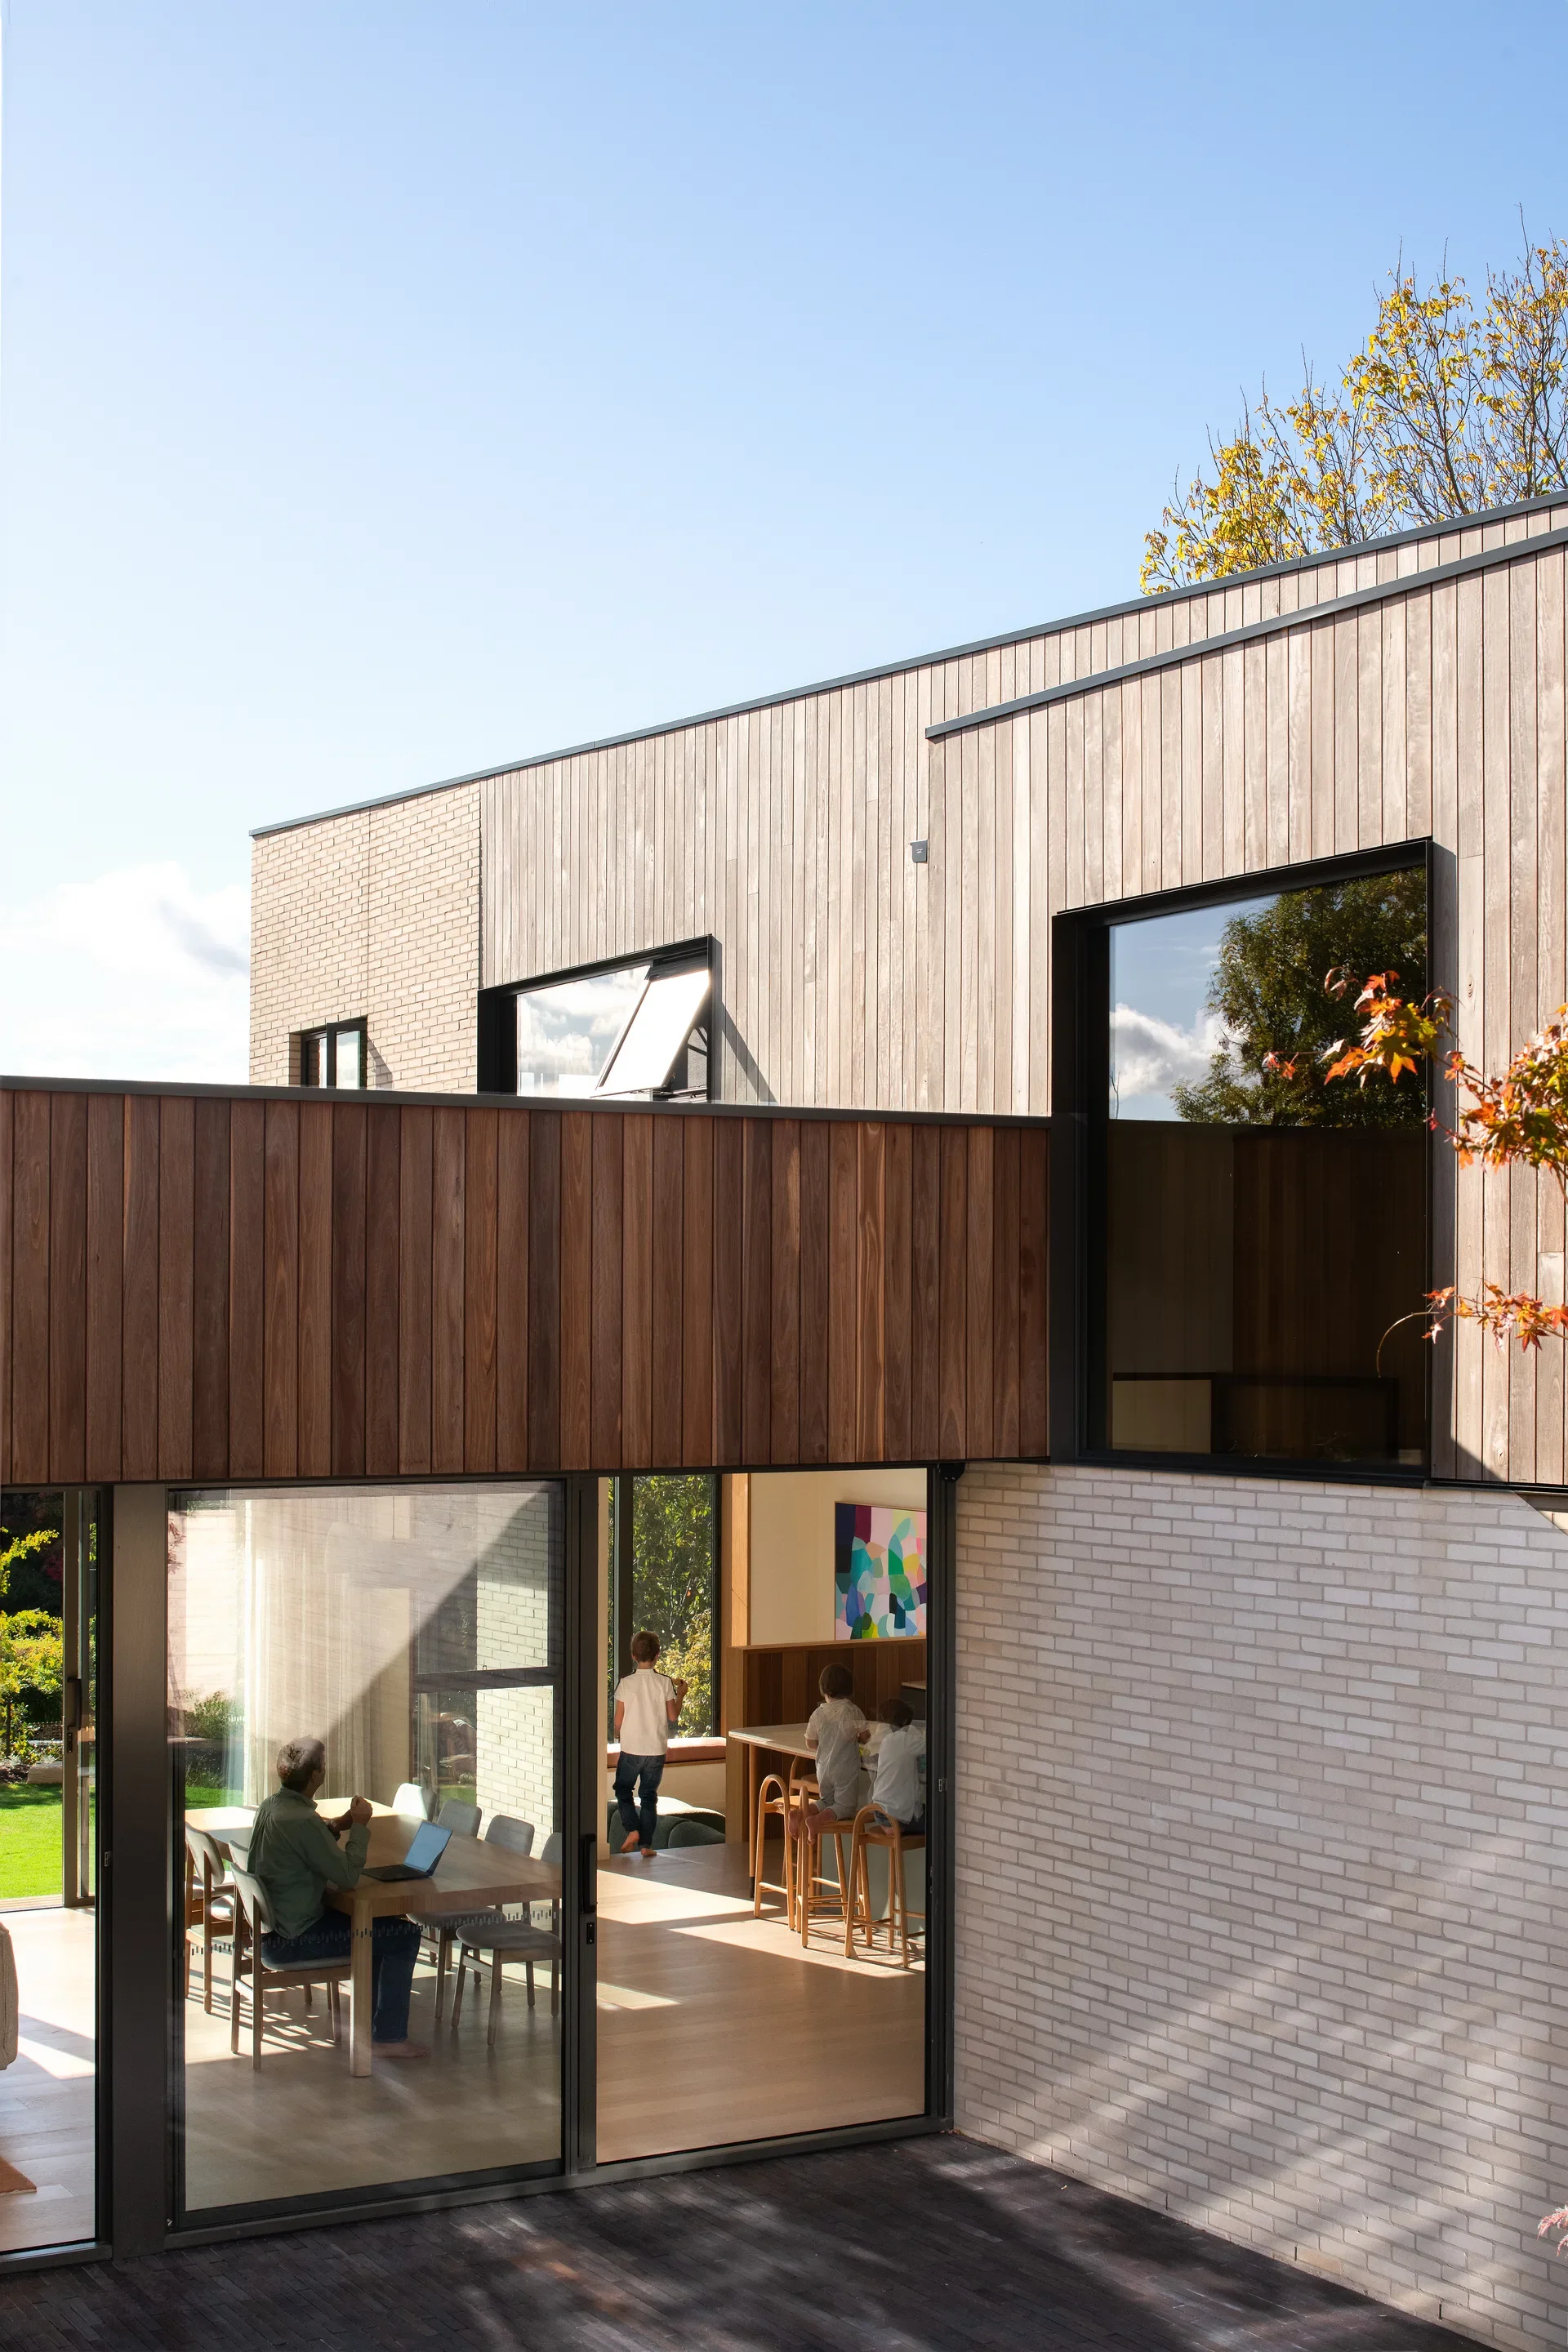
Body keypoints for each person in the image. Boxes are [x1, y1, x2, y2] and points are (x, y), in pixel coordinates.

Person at [244, 1735, 425, 2061]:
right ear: (316, 1776)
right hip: (294, 1940)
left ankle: (371, 2025)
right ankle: (388, 2036)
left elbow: (303, 1846)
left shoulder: (272, 1805)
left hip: (274, 1931)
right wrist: (358, 1827)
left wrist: (336, 1825)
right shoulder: (302, 1822)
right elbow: (347, 1877)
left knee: (379, 1927)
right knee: (403, 1935)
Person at [612, 1632, 688, 1855]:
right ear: (657, 1655)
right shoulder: (664, 1682)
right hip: (655, 1750)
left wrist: (619, 1735)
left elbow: (618, 1721)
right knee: (648, 1796)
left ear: (634, 1655)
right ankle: (646, 1845)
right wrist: (680, 1694)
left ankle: (632, 1830)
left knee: (623, 1790)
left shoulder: (626, 1683)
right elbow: (673, 1716)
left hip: (631, 1749)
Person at [800, 1663, 868, 1833]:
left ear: (824, 1690)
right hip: (844, 1769)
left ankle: (800, 1813)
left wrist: (824, 1746)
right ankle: (816, 1820)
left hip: (823, 1769)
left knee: (826, 1800)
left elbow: (810, 1742)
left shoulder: (818, 1714)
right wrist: (857, 1738)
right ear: (850, 1689)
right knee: (845, 1806)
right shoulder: (852, 1711)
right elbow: (865, 1736)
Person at [869, 1697, 926, 1835]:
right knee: (941, 1820)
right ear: (906, 1722)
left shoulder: (886, 1740)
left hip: (879, 1810)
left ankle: (889, 1826)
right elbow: (932, 1744)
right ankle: (895, 1827)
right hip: (898, 1815)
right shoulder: (905, 1740)